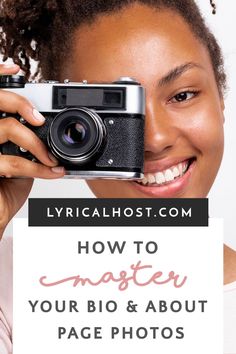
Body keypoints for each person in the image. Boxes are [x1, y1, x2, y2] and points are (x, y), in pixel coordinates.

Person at [0, 0, 235, 353]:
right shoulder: (12, 281)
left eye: (182, 95)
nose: (155, 140)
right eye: (114, 109)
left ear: (220, 95)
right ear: (57, 122)